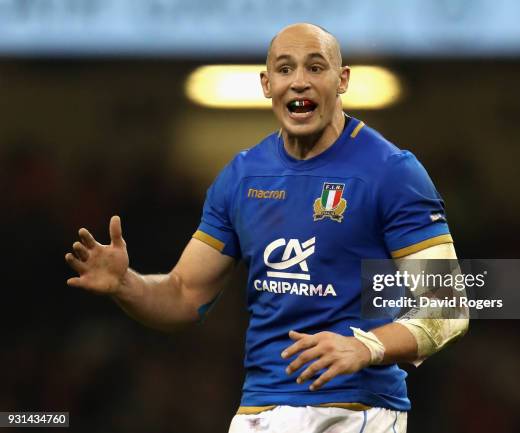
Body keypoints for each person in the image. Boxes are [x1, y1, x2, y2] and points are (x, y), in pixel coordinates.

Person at [65, 23, 468, 433]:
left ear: (342, 79)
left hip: (355, 410)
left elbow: (447, 311)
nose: (299, 83)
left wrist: (365, 347)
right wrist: (125, 285)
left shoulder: (392, 173)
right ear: (266, 83)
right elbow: (184, 294)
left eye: (315, 68)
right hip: (260, 412)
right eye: (285, 69)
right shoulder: (242, 177)